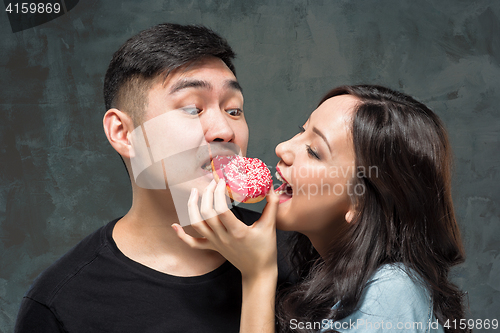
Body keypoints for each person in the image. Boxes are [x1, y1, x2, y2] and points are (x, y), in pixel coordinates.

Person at [15, 23, 290, 333]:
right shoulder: (59, 305)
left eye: (234, 110)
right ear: (123, 133)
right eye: (192, 108)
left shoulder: (301, 254)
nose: (225, 131)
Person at [174, 85, 469, 333]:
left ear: (360, 201)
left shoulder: (390, 295)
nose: (282, 148)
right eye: (301, 132)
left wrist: (258, 276)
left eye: (314, 151)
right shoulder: (325, 272)